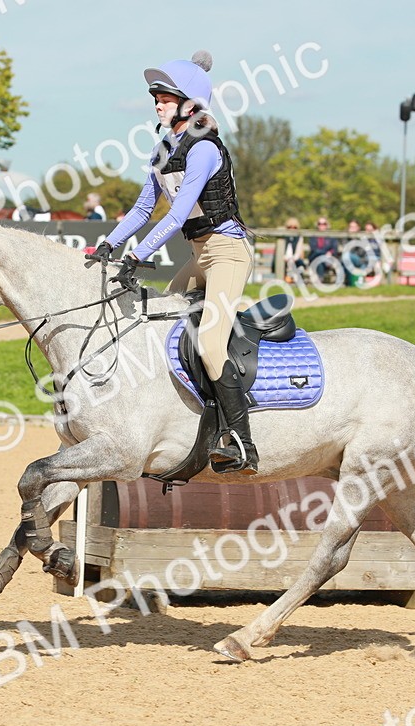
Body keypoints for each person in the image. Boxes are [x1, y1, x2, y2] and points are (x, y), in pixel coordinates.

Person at [92, 50, 256, 474]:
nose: (157, 104)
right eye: (156, 98)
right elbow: (143, 208)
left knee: (211, 343)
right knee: (160, 325)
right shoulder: (163, 150)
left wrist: (139, 254)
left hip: (228, 255)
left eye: (164, 97)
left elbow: (178, 213)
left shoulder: (204, 149)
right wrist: (107, 245)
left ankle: (241, 442)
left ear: (189, 104)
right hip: (201, 256)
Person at [280, 217, 307, 283]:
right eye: (290, 227)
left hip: (295, 259)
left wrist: (292, 259)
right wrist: (286, 258)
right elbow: (280, 252)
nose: (292, 229)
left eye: (294, 227)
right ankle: (288, 279)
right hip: (284, 259)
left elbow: (298, 252)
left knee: (299, 264)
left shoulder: (299, 237)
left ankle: (294, 279)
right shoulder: (282, 237)